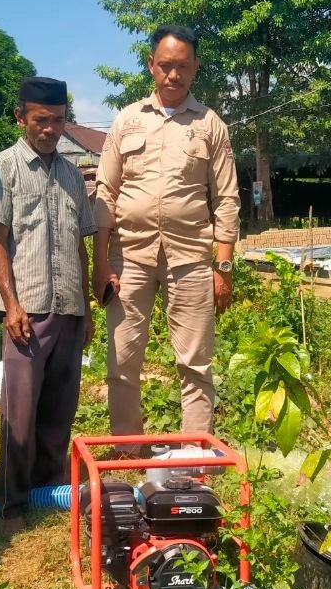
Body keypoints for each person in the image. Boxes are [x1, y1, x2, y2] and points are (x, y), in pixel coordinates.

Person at [93, 25, 240, 439]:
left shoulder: (211, 125)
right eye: (165, 66)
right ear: (150, 67)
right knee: (122, 359)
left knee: (195, 361)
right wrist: (100, 261)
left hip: (191, 259)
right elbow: (106, 190)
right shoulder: (126, 120)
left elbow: (226, 199)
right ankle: (126, 445)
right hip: (129, 258)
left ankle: (195, 451)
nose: (173, 75)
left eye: (182, 67)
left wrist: (223, 266)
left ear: (195, 69)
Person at [0, 77, 95, 537]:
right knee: (19, 412)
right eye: (41, 120)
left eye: (58, 119)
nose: (50, 129)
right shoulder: (1, 168)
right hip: (26, 310)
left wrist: (85, 308)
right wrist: (11, 305)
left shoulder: (71, 173)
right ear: (21, 117)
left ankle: (49, 490)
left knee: (60, 408)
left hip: (68, 306)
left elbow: (81, 246)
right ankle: (10, 503)